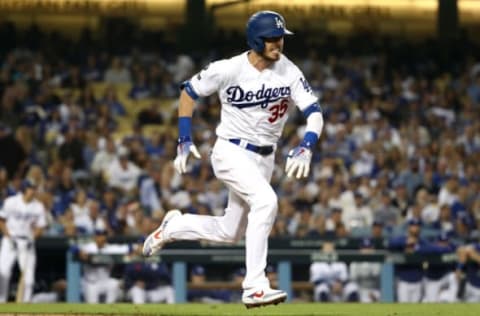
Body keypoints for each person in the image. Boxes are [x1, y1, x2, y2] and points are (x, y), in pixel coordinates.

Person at [143, 10, 324, 309]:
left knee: (231, 231)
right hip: (231, 151)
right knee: (266, 202)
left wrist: (307, 144)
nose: (278, 43)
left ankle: (173, 228)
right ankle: (254, 286)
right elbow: (188, 93)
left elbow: (314, 111)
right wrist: (184, 139)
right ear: (255, 40)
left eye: (280, 37)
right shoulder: (228, 69)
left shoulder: (289, 70)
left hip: (265, 159)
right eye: (271, 38)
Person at [0, 180, 47, 302]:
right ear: (24, 189)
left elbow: (41, 227)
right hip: (10, 240)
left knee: (29, 279)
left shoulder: (38, 206)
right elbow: (1, 221)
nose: (33, 191)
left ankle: (25, 307)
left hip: (26, 242)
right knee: (3, 273)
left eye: (34, 188)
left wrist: (32, 238)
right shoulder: (11, 202)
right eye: (31, 188)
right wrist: (8, 236)